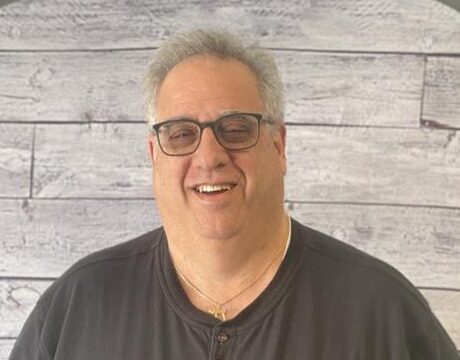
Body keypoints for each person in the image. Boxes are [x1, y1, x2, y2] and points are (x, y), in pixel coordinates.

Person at [9, 29, 459, 360]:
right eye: (181, 133)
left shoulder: (379, 309)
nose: (209, 156)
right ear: (153, 155)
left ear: (278, 147)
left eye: (236, 129)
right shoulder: (77, 307)